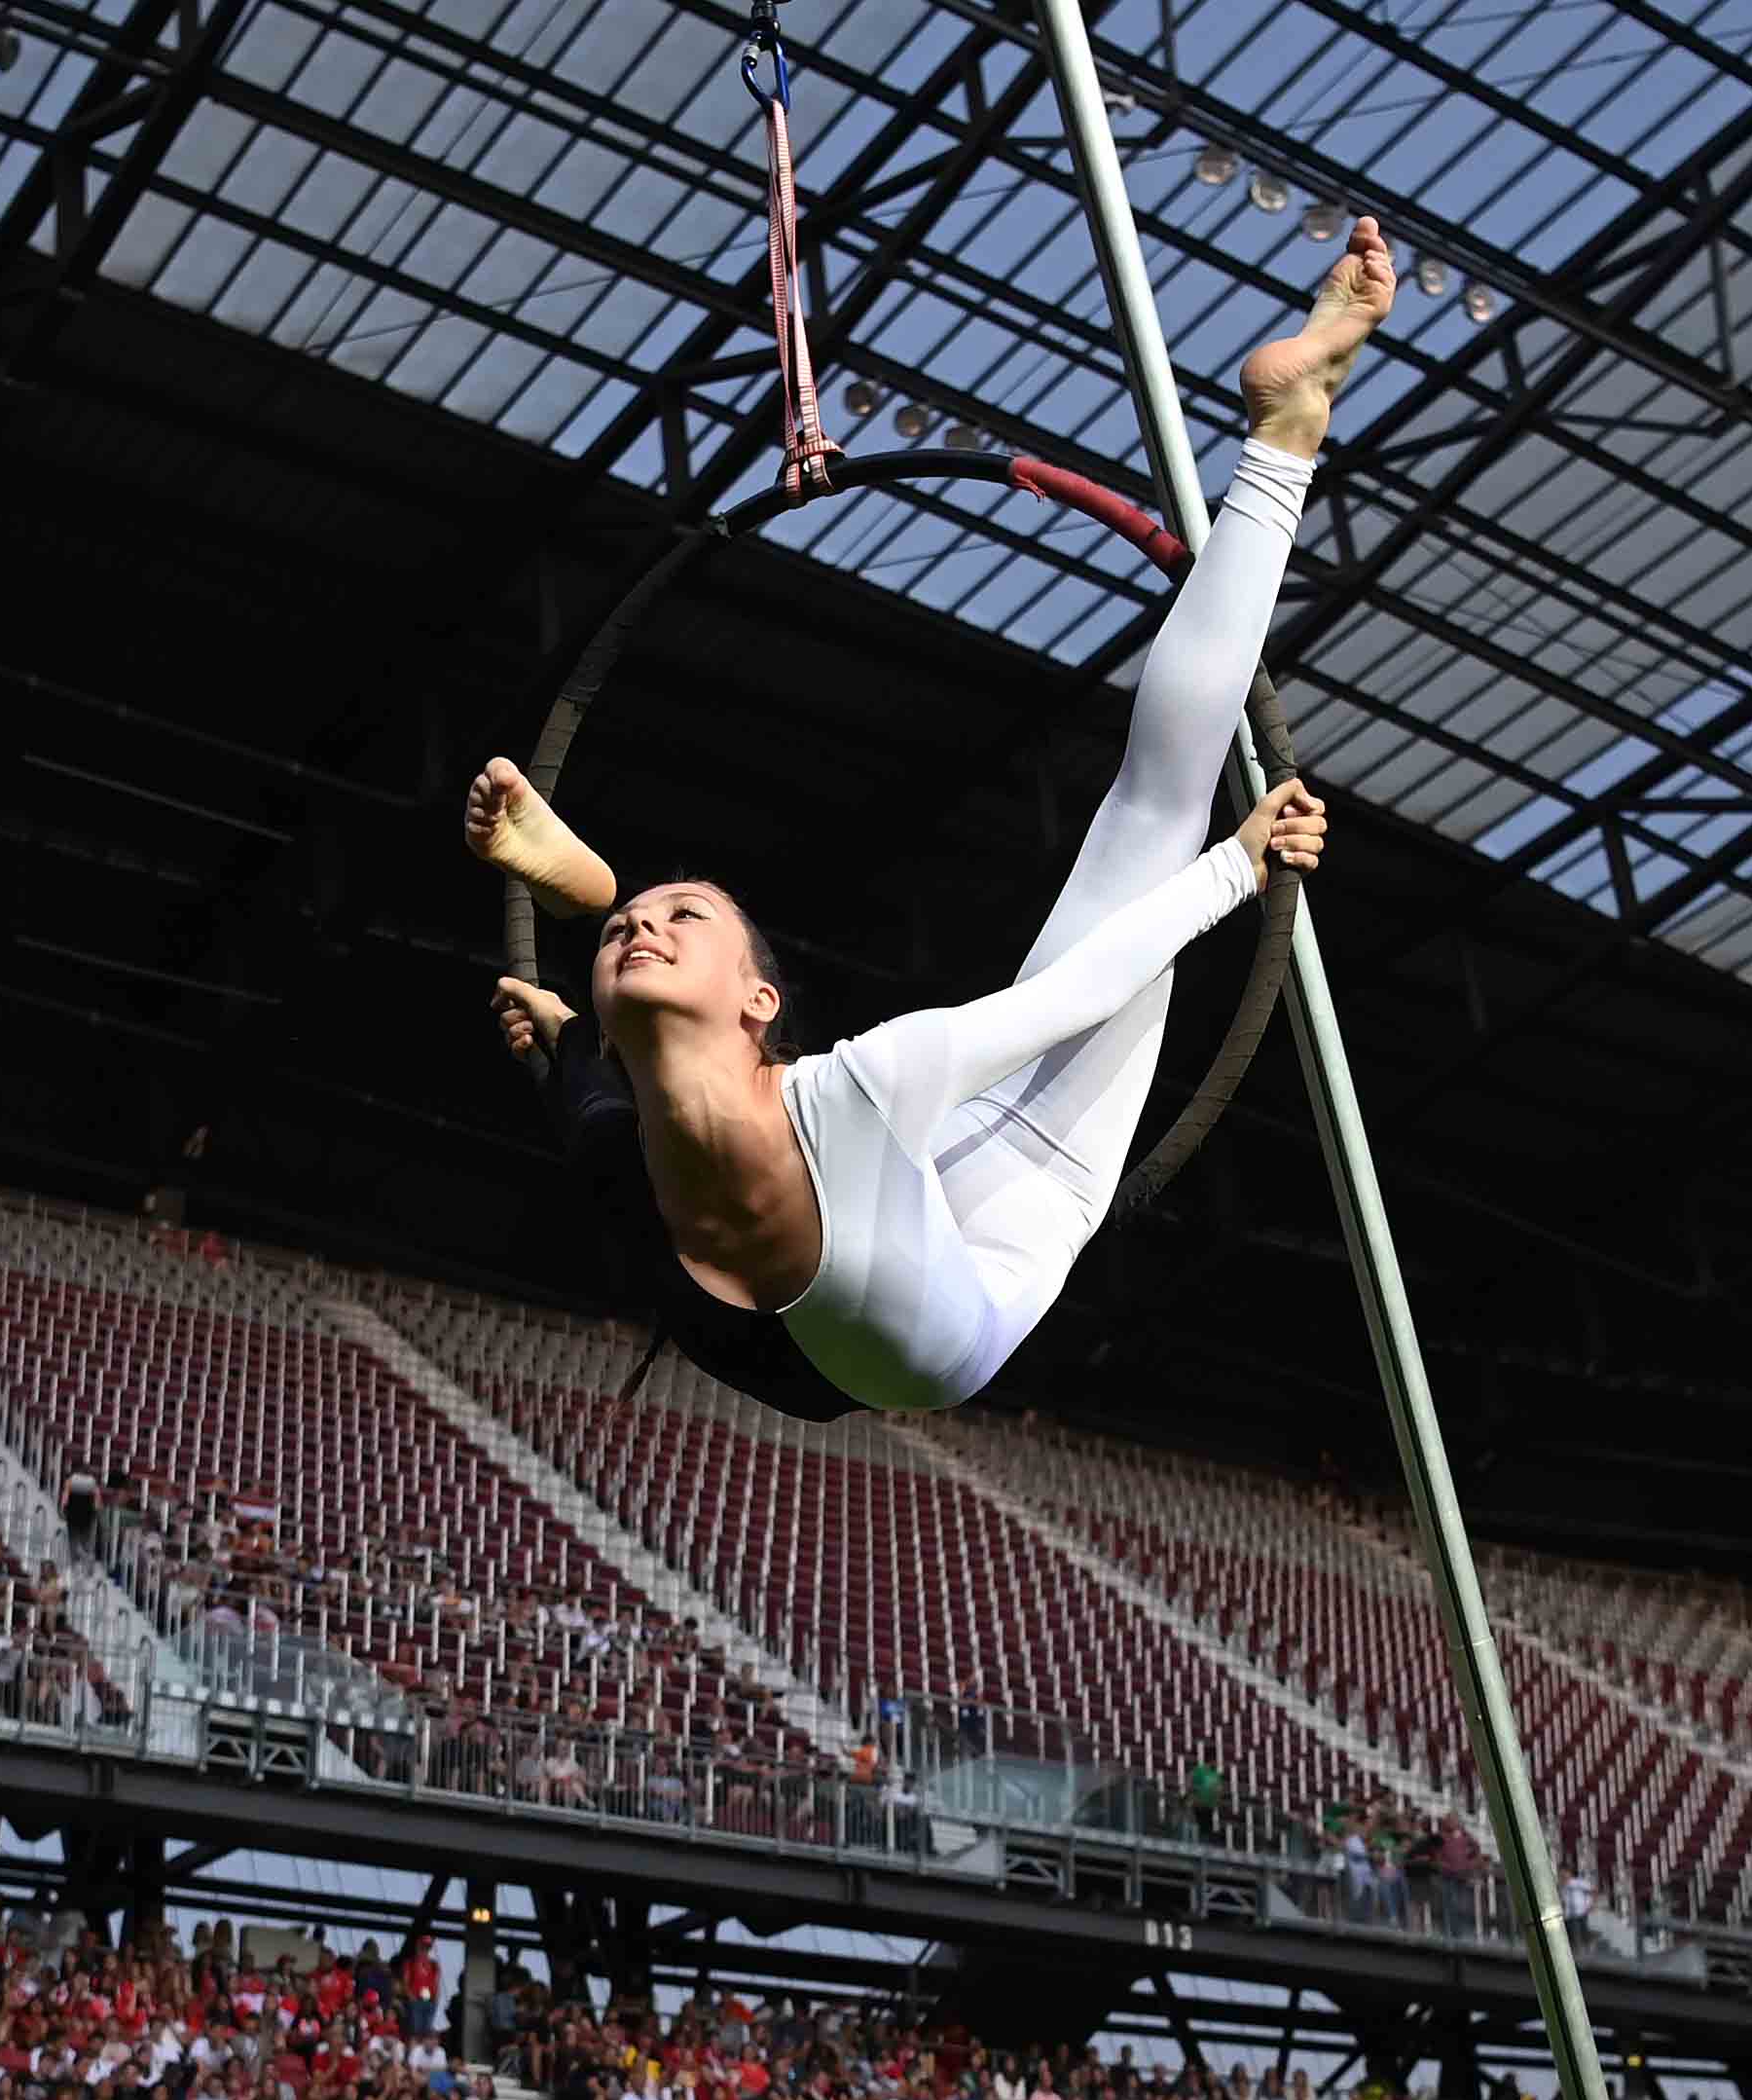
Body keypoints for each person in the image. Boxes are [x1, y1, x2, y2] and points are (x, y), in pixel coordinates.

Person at [465, 226, 1388, 1418]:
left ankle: (1283, 437)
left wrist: (1234, 865)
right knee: (599, 1114)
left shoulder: (846, 1086)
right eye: (633, 925)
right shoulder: (639, 1125)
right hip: (1001, 1227)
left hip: (921, 1177)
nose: (648, 931)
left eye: (673, 915)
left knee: (1152, 811)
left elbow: (1064, 1001)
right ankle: (575, 898)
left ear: (760, 1004)